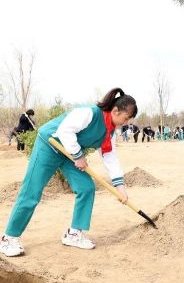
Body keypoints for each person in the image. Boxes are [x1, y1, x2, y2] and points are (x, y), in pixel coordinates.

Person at [0, 88, 137, 257]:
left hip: (70, 154)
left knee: (86, 187)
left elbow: (109, 156)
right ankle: (9, 238)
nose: (126, 123)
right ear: (116, 110)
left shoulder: (109, 131)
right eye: (126, 118)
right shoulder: (89, 113)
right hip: (49, 145)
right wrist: (79, 156)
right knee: (32, 191)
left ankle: (73, 234)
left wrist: (120, 186)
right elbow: (65, 131)